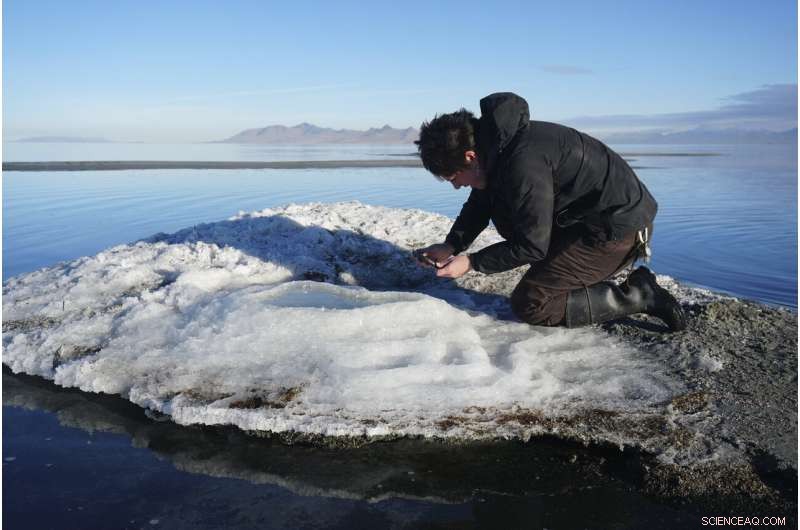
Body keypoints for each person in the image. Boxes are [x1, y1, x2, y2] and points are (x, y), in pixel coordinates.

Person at [414, 92, 686, 331]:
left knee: (532, 304)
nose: (457, 186)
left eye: (453, 178)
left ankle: (640, 294)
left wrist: (472, 262)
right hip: (590, 222)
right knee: (510, 218)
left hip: (618, 231)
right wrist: (451, 245)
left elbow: (532, 246)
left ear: (469, 157)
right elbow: (481, 202)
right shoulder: (498, 147)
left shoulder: (522, 163)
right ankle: (577, 272)